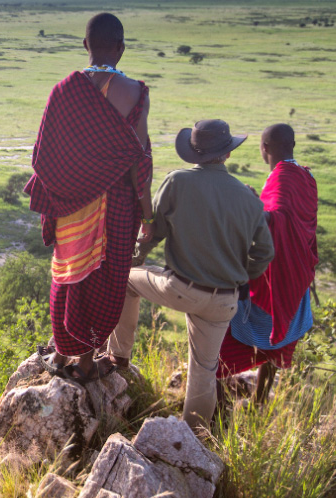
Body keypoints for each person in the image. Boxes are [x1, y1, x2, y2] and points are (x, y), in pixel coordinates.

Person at [98, 119, 275, 431]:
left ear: (193, 153)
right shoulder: (248, 198)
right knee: (204, 372)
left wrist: (131, 259)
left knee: (126, 280)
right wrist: (240, 277)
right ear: (228, 154)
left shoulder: (178, 181)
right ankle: (192, 441)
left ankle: (118, 357)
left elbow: (153, 234)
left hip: (182, 288)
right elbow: (265, 252)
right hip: (223, 301)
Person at [27, 12, 154, 382]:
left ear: (85, 45)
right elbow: (139, 162)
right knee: (105, 279)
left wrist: (65, 192)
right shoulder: (136, 93)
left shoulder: (63, 90)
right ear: (121, 47)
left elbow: (43, 157)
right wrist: (147, 216)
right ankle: (86, 360)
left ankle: (65, 355)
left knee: (69, 275)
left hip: (70, 205)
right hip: (116, 204)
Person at [217, 124, 318, 402]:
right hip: (296, 274)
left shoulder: (283, 177)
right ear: (293, 144)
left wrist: (251, 203)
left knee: (223, 340)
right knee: (278, 344)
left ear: (265, 148)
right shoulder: (305, 176)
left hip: (276, 276)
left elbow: (275, 219)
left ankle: (219, 406)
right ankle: (259, 400)